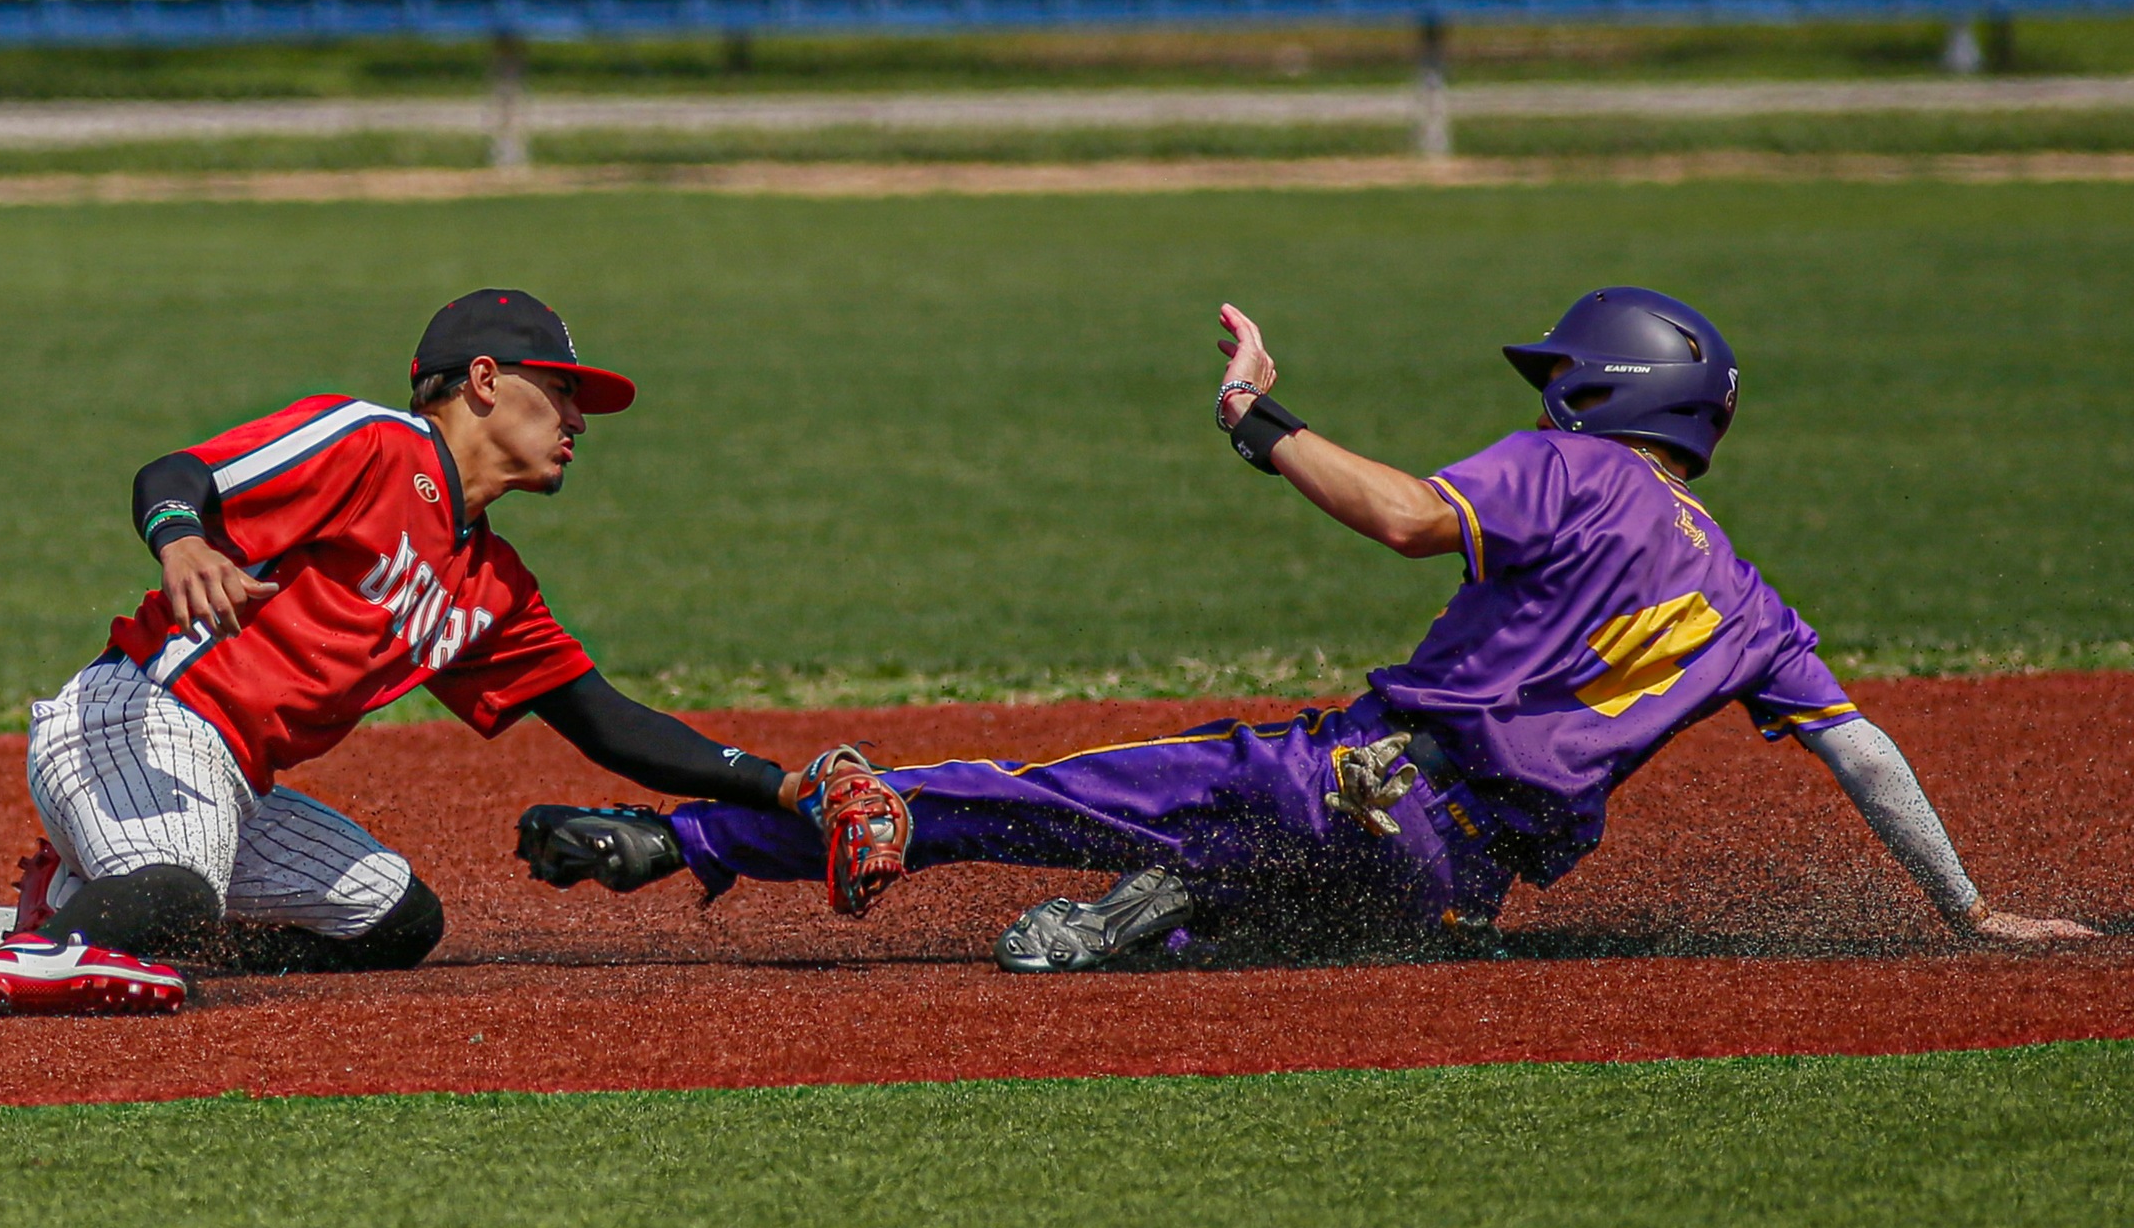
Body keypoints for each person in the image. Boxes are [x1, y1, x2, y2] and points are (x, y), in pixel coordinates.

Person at [513, 287, 2095, 970]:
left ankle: (700, 848)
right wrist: (1961, 912)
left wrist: (1259, 422)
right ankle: (1170, 917)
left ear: (1608, 389)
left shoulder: (1566, 468)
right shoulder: (1744, 597)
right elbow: (1860, 744)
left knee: (1024, 794)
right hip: (1462, 882)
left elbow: (1407, 513)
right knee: (1297, 924)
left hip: (1351, 774)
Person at [0, 288, 906, 1016]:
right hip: (136, 721)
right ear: (487, 381)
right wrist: (184, 538)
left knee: (397, 917)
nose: (577, 423)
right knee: (181, 885)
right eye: (563, 392)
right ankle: (51, 948)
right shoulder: (373, 445)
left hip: (235, 780)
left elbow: (608, 723)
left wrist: (787, 789)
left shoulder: (488, 582)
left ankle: (97, 896)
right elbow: (178, 473)